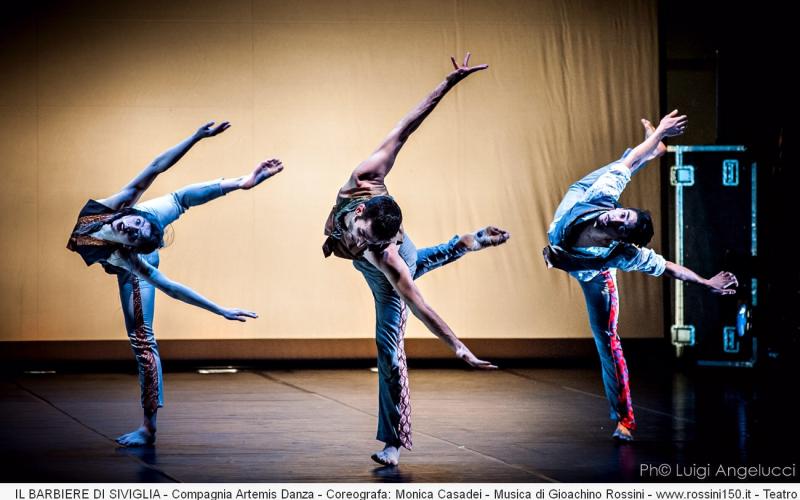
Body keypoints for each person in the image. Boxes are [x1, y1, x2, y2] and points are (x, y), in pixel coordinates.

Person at [322, 53, 510, 466]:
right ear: (362, 212)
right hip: (391, 260)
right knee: (418, 261)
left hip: (389, 271)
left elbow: (421, 306)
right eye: (361, 235)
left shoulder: (386, 255)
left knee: (390, 353)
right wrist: (449, 83)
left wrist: (459, 349)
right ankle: (466, 242)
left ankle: (393, 441)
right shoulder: (365, 178)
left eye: (370, 242)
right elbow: (407, 127)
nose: (360, 240)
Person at [67, 121, 284, 447]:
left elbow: (169, 287)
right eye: (131, 222)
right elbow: (159, 169)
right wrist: (213, 154)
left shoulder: (130, 258)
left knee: (143, 341)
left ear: (130, 245)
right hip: (150, 226)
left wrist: (219, 310)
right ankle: (241, 181)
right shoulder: (120, 207)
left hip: (136, 266)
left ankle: (148, 428)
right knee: (180, 200)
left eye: (131, 232)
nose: (127, 226)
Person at [543, 111, 738, 442]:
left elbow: (669, 267)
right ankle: (657, 148)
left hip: (594, 271)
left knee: (607, 338)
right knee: (628, 165)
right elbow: (630, 163)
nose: (614, 217)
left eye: (621, 223)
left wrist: (706, 282)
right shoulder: (601, 199)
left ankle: (625, 419)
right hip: (573, 205)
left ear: (621, 236)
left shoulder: (623, 254)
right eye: (621, 212)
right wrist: (660, 131)